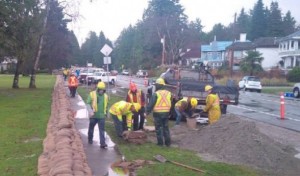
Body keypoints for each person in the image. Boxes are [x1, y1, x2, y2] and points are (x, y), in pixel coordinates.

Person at [146, 78, 172, 147]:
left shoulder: (156, 94)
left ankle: (160, 143)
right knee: (166, 128)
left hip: (158, 113)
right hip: (166, 113)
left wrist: (147, 112)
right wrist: (170, 113)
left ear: (159, 85)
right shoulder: (169, 93)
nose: (156, 86)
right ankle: (168, 143)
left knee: (158, 128)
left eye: (156, 85)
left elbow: (151, 104)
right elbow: (171, 104)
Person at [86, 82, 109, 148]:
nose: (101, 91)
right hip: (94, 115)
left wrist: (107, 114)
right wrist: (90, 111)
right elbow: (88, 103)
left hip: (102, 116)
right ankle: (90, 139)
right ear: (98, 89)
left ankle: (102, 143)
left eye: (103, 90)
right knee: (91, 128)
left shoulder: (106, 96)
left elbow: (107, 105)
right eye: (100, 89)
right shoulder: (92, 94)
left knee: (102, 130)